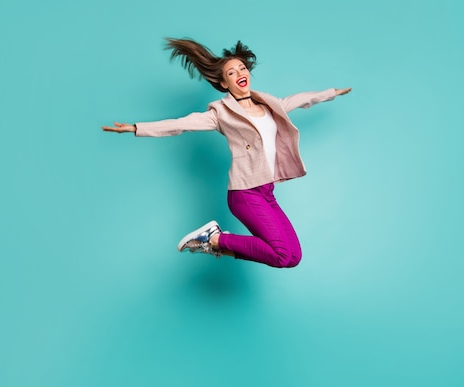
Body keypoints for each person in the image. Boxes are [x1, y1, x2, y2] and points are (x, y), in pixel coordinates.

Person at [102, 38, 351, 268]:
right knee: (282, 254)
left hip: (266, 191)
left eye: (242, 68)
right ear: (224, 83)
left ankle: (217, 243)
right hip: (245, 193)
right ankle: (216, 239)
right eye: (231, 72)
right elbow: (181, 124)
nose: (240, 73)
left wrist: (330, 93)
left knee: (293, 257)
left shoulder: (268, 104)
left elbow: (298, 100)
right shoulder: (221, 113)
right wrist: (137, 128)